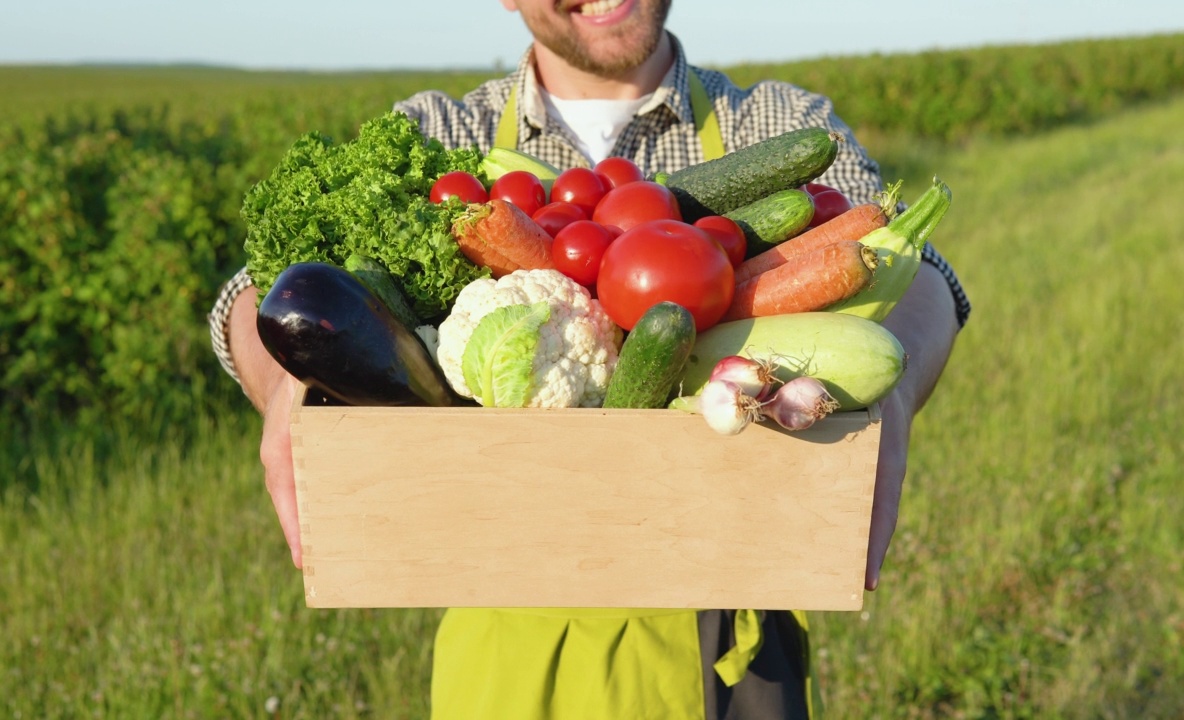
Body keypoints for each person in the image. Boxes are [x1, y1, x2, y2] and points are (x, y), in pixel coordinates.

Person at [208, 1, 971, 717]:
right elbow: (255, 290)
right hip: (504, 636)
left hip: (732, 634)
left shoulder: (773, 121)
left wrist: (891, 395)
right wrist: (288, 386)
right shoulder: (444, 130)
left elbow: (918, 267)